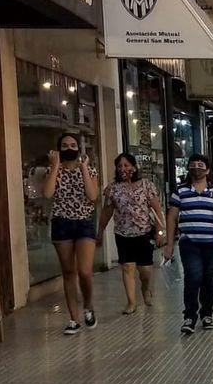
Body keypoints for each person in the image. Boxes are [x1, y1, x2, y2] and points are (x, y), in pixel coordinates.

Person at [162, 154, 213, 334]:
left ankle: (207, 313)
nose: (197, 168)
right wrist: (169, 244)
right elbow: (172, 218)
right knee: (193, 277)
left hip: (211, 244)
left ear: (207, 170)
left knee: (208, 278)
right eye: (193, 164)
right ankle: (189, 316)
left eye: (201, 165)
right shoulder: (180, 192)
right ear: (188, 168)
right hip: (189, 243)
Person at [42, 132, 99, 335]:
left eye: (73, 145)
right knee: (68, 272)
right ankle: (74, 319)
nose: (69, 148)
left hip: (84, 222)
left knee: (84, 271)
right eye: (65, 145)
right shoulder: (52, 170)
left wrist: (83, 168)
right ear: (58, 149)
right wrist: (55, 165)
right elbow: (47, 193)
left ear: (79, 148)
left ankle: (88, 306)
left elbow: (92, 196)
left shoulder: (89, 170)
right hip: (62, 223)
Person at [96, 153, 166, 314]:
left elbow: (157, 209)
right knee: (127, 267)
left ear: (134, 167)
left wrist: (160, 231)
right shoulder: (113, 189)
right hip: (123, 234)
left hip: (144, 233)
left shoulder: (146, 185)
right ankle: (131, 302)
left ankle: (145, 288)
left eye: (126, 165)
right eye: (120, 166)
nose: (123, 169)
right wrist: (100, 231)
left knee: (145, 270)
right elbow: (106, 212)